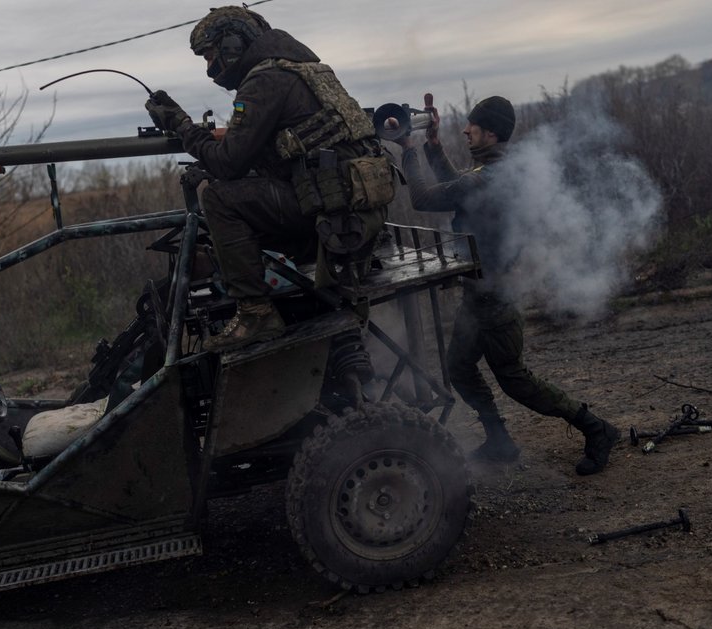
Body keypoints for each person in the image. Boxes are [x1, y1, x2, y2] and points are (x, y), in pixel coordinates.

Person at [391, 93, 620, 475]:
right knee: (460, 368)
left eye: (472, 127)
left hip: (495, 300)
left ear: (491, 134)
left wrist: (408, 149)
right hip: (479, 296)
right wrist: (434, 147)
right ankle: (499, 440)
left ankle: (596, 428)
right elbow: (459, 187)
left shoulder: (490, 177)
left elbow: (422, 198)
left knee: (516, 381)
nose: (464, 130)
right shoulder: (499, 171)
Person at [145, 6, 392, 352]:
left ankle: (255, 312)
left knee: (218, 199)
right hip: (352, 213)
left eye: (211, 55)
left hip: (329, 215)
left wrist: (182, 125)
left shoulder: (263, 81)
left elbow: (229, 163)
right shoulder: (306, 69)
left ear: (232, 45)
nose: (209, 67)